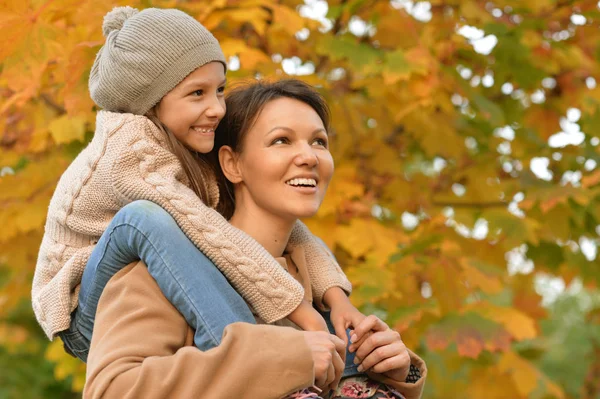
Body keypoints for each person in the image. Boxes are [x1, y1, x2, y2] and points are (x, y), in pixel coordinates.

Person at [31, 5, 352, 366]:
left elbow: (294, 232)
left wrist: (335, 296)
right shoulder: (129, 150)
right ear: (149, 102)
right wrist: (301, 311)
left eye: (219, 89)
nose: (217, 107)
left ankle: (346, 366)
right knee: (143, 218)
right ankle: (252, 362)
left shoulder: (189, 140)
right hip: (86, 309)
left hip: (156, 293)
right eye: (197, 93)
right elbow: (203, 228)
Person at [84, 79, 427, 399]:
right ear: (232, 164)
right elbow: (111, 389)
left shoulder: (318, 283)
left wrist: (393, 372)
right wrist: (281, 358)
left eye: (319, 141)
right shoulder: (166, 265)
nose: (309, 156)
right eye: (282, 140)